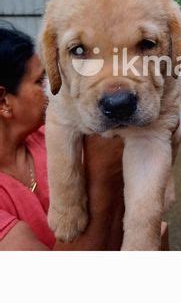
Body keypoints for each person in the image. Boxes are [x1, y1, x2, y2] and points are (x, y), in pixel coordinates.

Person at [0, 27, 125, 251]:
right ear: (3, 102)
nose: (53, 86)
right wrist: (103, 176)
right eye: (40, 81)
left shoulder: (53, 134)